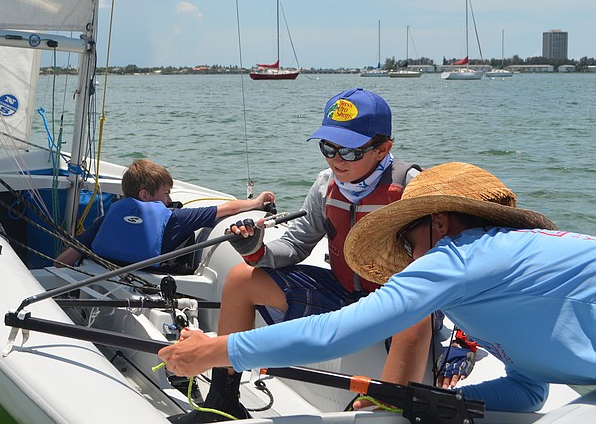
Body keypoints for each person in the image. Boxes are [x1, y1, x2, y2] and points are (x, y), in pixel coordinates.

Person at [159, 162, 596, 413]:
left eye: (407, 241)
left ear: (439, 222)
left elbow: (340, 331)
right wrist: (407, 400)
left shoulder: (464, 254)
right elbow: (528, 388)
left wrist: (214, 350)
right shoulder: (492, 278)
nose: (406, 257)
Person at [166, 87, 441, 423]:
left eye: (351, 152)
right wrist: (256, 249)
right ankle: (223, 399)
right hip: (345, 293)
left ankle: (388, 405)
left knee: (415, 304)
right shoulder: (325, 185)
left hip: (397, 303)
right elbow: (296, 246)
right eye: (329, 148)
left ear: (384, 148)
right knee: (240, 278)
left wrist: (458, 341)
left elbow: (435, 273)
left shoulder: (413, 189)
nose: (337, 160)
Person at [55, 159, 275, 267]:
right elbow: (226, 209)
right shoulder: (174, 219)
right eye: (165, 194)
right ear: (144, 195)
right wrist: (256, 202)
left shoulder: (106, 219)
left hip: (101, 278)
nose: (168, 200)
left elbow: (64, 260)